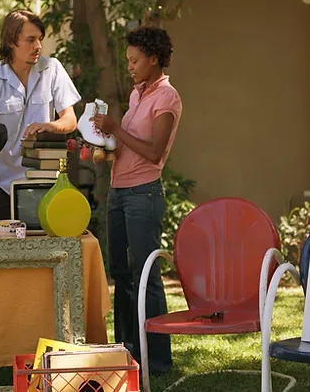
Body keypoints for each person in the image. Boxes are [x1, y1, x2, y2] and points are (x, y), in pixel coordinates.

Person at [91, 26, 181, 376]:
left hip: (143, 194)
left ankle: (157, 360)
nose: (129, 66)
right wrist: (104, 147)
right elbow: (129, 146)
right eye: (128, 60)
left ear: (153, 58)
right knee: (121, 274)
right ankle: (127, 351)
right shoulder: (137, 95)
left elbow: (154, 152)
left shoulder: (166, 98)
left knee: (147, 275)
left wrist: (117, 129)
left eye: (135, 60)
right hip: (119, 192)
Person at [0, 10, 81, 226]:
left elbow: (70, 120)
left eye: (40, 39)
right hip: (4, 189)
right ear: (11, 42)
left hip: (47, 185)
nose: (38, 46)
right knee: (2, 248)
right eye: (30, 40)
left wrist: (51, 126)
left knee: (49, 247)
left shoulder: (53, 69)